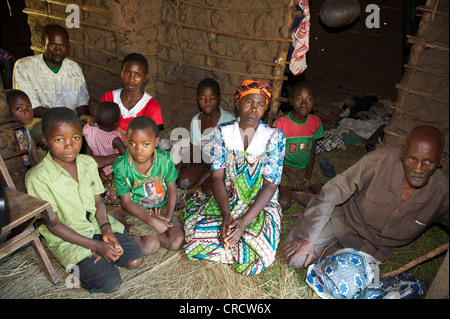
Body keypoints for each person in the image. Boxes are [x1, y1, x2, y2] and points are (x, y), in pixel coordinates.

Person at [283, 125, 449, 269]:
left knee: (339, 278)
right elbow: (332, 192)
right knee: (298, 260)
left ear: (441, 159)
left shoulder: (443, 193)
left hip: (372, 248)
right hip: (343, 220)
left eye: (428, 162)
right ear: (402, 152)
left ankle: (310, 201)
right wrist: (309, 238)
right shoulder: (377, 162)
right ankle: (306, 203)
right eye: (412, 158)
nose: (418, 169)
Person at [25, 107, 143, 294]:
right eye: (59, 139)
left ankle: (96, 257)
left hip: (95, 226)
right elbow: (54, 225)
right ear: (45, 141)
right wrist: (96, 246)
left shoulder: (87, 163)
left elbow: (98, 202)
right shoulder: (37, 178)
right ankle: (87, 265)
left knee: (135, 260)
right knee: (112, 284)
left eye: (76, 137)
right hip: (68, 237)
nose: (69, 145)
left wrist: (106, 229)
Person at [183, 80, 286, 276]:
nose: (254, 108)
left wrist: (245, 222)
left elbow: (271, 185)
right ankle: (229, 245)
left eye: (260, 104)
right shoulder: (222, 133)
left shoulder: (274, 137)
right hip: (228, 199)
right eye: (249, 102)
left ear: (265, 109)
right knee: (194, 234)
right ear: (237, 103)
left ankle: (233, 246)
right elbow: (217, 177)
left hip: (259, 203)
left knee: (258, 252)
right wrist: (226, 216)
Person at [112, 116, 185, 255]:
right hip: (136, 209)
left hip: (160, 206)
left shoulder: (164, 159)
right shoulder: (122, 167)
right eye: (133, 144)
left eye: (145, 144)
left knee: (177, 241)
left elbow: (172, 188)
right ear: (126, 141)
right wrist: (152, 221)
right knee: (149, 247)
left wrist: (168, 217)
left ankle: (151, 231)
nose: (139, 150)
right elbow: (126, 201)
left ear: (156, 142)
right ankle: (120, 217)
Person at [12, 24, 90, 118]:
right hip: (39, 120)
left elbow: (82, 101)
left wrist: (84, 118)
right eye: (53, 45)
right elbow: (31, 106)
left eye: (62, 46)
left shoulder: (73, 68)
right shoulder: (24, 67)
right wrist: (64, 119)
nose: (58, 50)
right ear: (42, 43)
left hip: (70, 121)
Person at [176, 78, 235, 195]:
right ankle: (201, 177)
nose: (207, 102)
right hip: (202, 161)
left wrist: (200, 180)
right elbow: (194, 150)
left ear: (219, 98)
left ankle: (203, 181)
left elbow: (230, 158)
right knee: (183, 183)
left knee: (209, 191)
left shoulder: (229, 121)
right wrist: (180, 165)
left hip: (222, 165)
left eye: (212, 98)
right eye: (203, 98)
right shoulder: (196, 120)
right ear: (197, 99)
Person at [273, 82, 325, 213]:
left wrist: (307, 175)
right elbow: (274, 155)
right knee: (284, 203)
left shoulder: (315, 123)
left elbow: (312, 151)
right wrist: (291, 175)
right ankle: (295, 194)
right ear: (290, 101)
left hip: (305, 167)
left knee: (324, 197)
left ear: (314, 102)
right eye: (298, 99)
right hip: (285, 168)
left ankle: (300, 192)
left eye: (308, 100)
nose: (303, 104)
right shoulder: (281, 124)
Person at [101, 53, 164, 139]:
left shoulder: (151, 106)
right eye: (127, 73)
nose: (131, 78)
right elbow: (100, 128)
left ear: (145, 77)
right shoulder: (109, 98)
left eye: (137, 75)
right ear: (121, 72)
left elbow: (150, 139)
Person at [83, 101, 126, 206]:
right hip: (111, 170)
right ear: (116, 123)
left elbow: (82, 119)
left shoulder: (88, 129)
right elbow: (125, 154)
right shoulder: (114, 138)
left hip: (96, 165)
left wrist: (88, 119)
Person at [6, 89, 40, 166]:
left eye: (29, 106)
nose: (27, 112)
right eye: (19, 108)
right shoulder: (11, 133)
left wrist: (38, 163)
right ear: (8, 111)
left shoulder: (24, 128)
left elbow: (32, 144)